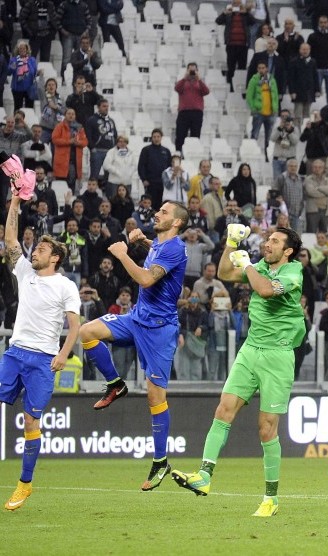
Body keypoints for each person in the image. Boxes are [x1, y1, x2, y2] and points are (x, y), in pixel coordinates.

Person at [171, 227, 304, 518]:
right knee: (224, 409)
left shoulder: (293, 273)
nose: (268, 244)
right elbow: (225, 273)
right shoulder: (260, 267)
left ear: (289, 251)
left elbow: (266, 290)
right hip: (251, 350)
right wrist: (231, 244)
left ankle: (271, 498)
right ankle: (204, 476)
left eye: (275, 242)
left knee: (266, 427)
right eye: (268, 240)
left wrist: (246, 265)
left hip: (278, 356)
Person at [78, 200, 189, 491]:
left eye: (164, 212)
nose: (157, 213)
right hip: (137, 317)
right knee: (88, 332)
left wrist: (123, 254)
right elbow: (158, 250)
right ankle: (115, 384)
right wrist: (144, 241)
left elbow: (145, 278)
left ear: (177, 222)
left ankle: (161, 461)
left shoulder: (174, 247)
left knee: (155, 396)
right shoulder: (162, 243)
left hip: (160, 330)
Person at [1, 189, 80, 511]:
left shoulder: (65, 285)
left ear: (55, 257)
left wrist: (63, 354)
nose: (35, 252)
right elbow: (10, 240)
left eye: (42, 249)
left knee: (31, 423)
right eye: (36, 248)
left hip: (43, 360)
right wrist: (16, 203)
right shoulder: (24, 272)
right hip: (15, 351)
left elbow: (74, 324)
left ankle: (24, 484)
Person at [174, 63, 210, 153]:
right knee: (180, 135)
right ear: (187, 71)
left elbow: (206, 91)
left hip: (196, 113)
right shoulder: (183, 82)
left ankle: (194, 153)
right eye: (190, 70)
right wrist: (184, 78)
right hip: (183, 112)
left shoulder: (199, 83)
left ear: (197, 71)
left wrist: (199, 80)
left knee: (195, 136)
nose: (192, 72)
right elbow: (177, 88)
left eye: (194, 70)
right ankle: (179, 154)